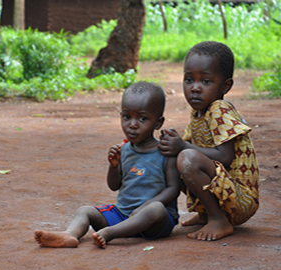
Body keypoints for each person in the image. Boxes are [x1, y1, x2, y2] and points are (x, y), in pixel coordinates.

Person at [35, 81, 180, 249]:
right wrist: (113, 166)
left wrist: (146, 206)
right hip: (124, 215)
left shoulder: (165, 151)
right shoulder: (123, 150)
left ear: (158, 123)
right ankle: (70, 234)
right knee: (85, 210)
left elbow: (173, 188)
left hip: (154, 222)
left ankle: (110, 233)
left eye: (142, 118)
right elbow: (114, 186)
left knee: (156, 209)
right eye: (127, 117)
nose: (132, 124)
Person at [158, 41, 259, 241]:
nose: (195, 88)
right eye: (189, 80)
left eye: (205, 81)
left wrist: (183, 146)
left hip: (242, 199)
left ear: (226, 85)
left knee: (187, 158)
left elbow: (225, 157)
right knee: (173, 156)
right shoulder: (198, 113)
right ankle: (206, 213)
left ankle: (218, 219)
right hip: (226, 193)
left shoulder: (219, 109)